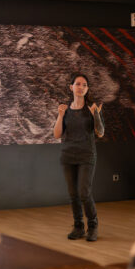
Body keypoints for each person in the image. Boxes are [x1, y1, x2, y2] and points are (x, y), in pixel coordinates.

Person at [53, 73, 104, 241]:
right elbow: (57, 134)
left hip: (86, 155)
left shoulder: (92, 109)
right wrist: (60, 115)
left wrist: (96, 115)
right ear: (71, 87)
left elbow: (100, 133)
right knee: (73, 194)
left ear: (87, 89)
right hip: (68, 155)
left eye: (84, 85)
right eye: (78, 84)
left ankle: (93, 225)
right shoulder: (65, 110)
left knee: (84, 192)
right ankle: (78, 226)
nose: (81, 87)